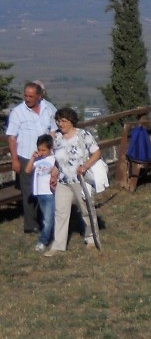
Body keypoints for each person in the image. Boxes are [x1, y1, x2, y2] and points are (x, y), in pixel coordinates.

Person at [44, 107, 102, 256]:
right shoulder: (56, 138)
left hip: (81, 180)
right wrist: (54, 175)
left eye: (64, 121)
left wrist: (85, 166)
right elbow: (58, 160)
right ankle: (58, 245)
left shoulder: (83, 135)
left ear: (71, 121)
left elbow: (96, 153)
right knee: (60, 212)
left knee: (86, 210)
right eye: (58, 121)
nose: (60, 124)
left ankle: (91, 239)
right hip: (63, 181)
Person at [6, 81, 58, 233]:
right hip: (26, 156)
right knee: (28, 191)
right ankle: (30, 225)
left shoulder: (48, 108)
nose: (27, 99)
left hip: (46, 157)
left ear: (39, 96)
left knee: (46, 189)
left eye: (31, 96)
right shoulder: (18, 112)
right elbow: (12, 137)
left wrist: (51, 152)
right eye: (25, 95)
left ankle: (46, 220)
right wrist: (14, 159)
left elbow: (53, 131)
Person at [24, 134, 57, 252]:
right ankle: (52, 235)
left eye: (44, 150)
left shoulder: (53, 159)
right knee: (46, 218)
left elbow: (56, 172)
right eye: (39, 149)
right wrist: (33, 158)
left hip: (49, 193)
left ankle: (43, 241)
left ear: (50, 149)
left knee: (47, 219)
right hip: (39, 193)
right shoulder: (38, 160)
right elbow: (27, 170)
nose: (41, 152)